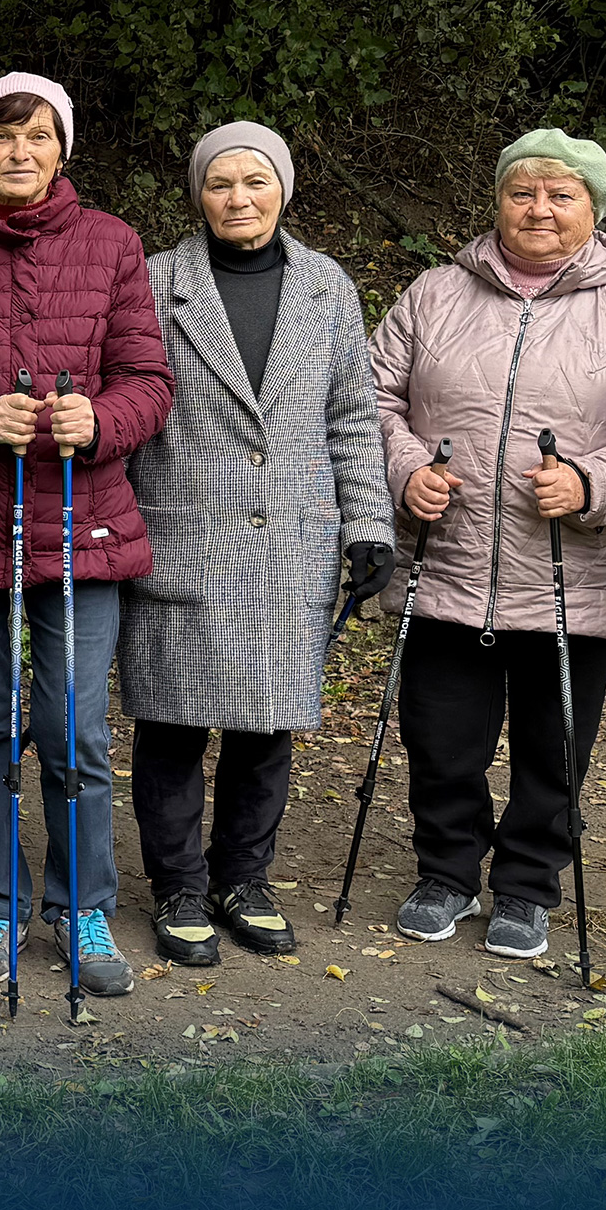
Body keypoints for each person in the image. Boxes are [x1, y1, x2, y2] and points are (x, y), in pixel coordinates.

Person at [369, 129, 606, 960]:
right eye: (522, 191)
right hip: (448, 559)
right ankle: (444, 870)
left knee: (553, 746)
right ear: (498, 200)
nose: (538, 208)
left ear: (594, 208)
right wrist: (404, 471)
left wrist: (589, 483)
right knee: (439, 736)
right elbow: (370, 398)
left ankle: (524, 885)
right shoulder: (435, 291)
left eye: (560, 194)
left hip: (565, 573)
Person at [0, 75, 174, 997]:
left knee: (72, 727)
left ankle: (81, 902)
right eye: (3, 135)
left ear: (63, 150)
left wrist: (97, 419)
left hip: (80, 526)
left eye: (38, 135)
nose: (20, 151)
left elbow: (147, 376)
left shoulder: (111, 244)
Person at [119, 123, 392, 965]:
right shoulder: (158, 282)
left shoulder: (326, 286)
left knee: (265, 727)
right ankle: (176, 884)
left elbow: (350, 413)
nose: (238, 199)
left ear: (283, 187)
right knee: (170, 724)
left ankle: (243, 877)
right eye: (219, 184)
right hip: (182, 536)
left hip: (288, 545)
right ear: (196, 195)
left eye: (255, 181)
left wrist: (368, 523)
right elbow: (129, 406)